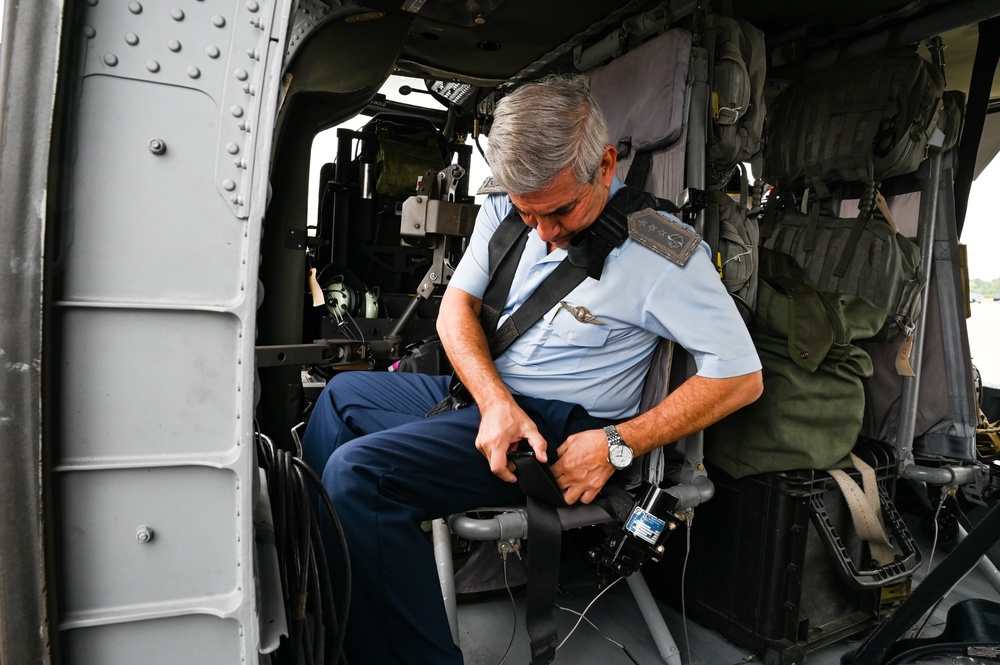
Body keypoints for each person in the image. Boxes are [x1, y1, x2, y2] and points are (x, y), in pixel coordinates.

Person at [301, 74, 763, 664]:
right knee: (340, 397)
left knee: (360, 476)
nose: (545, 234)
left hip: (557, 434)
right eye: (529, 215)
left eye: (561, 212)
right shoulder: (505, 207)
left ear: (606, 164)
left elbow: (740, 375)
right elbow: (455, 310)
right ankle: (335, 597)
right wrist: (494, 402)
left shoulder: (664, 249)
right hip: (488, 399)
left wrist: (619, 444)